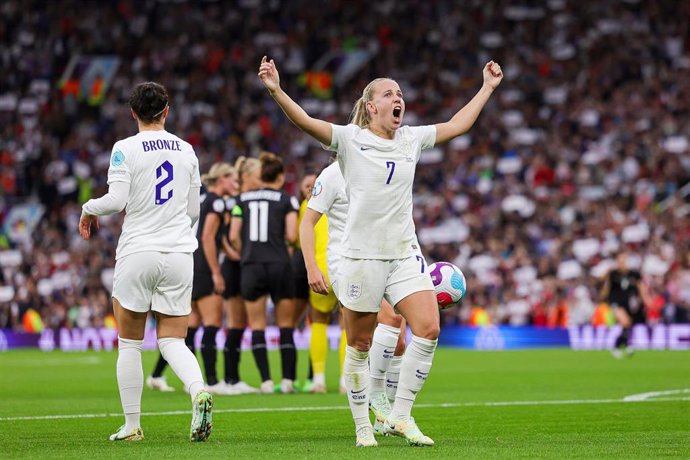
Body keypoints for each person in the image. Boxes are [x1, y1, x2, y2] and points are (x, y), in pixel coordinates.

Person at [260, 55, 502, 447]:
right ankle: (362, 427)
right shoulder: (351, 142)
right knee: (358, 344)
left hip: (404, 253)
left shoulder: (411, 139)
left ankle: (401, 416)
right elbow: (306, 122)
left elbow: (458, 125)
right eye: (389, 93)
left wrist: (487, 88)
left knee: (428, 328)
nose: (398, 98)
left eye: (400, 93)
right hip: (360, 258)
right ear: (371, 106)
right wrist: (276, 90)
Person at [79, 81, 212, 442]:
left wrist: (88, 208)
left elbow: (116, 199)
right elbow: (193, 210)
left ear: (133, 112)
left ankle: (133, 425)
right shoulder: (187, 151)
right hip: (180, 252)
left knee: (130, 343)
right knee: (173, 340)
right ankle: (198, 389)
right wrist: (182, 240)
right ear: (167, 111)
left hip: (139, 250)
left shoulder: (124, 148)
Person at [300, 161, 410, 432]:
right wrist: (311, 267)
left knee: (398, 342)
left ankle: (386, 419)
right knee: (362, 333)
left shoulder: (385, 168)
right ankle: (363, 408)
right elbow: (302, 228)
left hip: (388, 256)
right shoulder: (330, 179)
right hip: (347, 267)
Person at [230, 151, 300, 394]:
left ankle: (266, 382)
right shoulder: (287, 200)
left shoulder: (242, 201)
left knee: (257, 324)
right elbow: (292, 235)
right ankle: (288, 381)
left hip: (252, 266)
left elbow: (232, 236)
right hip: (280, 264)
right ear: (280, 177)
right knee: (285, 325)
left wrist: (248, 250)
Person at [191, 162, 237, 395]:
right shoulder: (217, 202)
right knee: (212, 324)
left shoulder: (201, 199)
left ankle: (188, 380)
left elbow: (216, 239)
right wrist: (216, 272)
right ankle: (211, 380)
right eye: (233, 179)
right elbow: (208, 238)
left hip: (190, 264)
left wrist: (233, 254)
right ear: (222, 180)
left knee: (192, 326)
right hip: (205, 267)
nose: (236, 184)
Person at [220, 156, 263, 394]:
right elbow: (224, 235)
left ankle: (232, 378)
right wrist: (238, 253)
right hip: (235, 266)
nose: (262, 177)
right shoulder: (234, 202)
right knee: (235, 323)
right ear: (246, 177)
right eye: (258, 173)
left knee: (240, 324)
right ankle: (230, 378)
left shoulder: (247, 200)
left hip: (246, 264)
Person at [601, 250, 646, 358]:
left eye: (624, 260)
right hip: (615, 302)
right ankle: (622, 345)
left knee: (628, 324)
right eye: (620, 261)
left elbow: (641, 287)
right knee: (625, 322)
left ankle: (622, 345)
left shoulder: (633, 274)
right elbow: (604, 285)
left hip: (628, 303)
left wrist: (644, 300)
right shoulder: (613, 273)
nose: (622, 263)